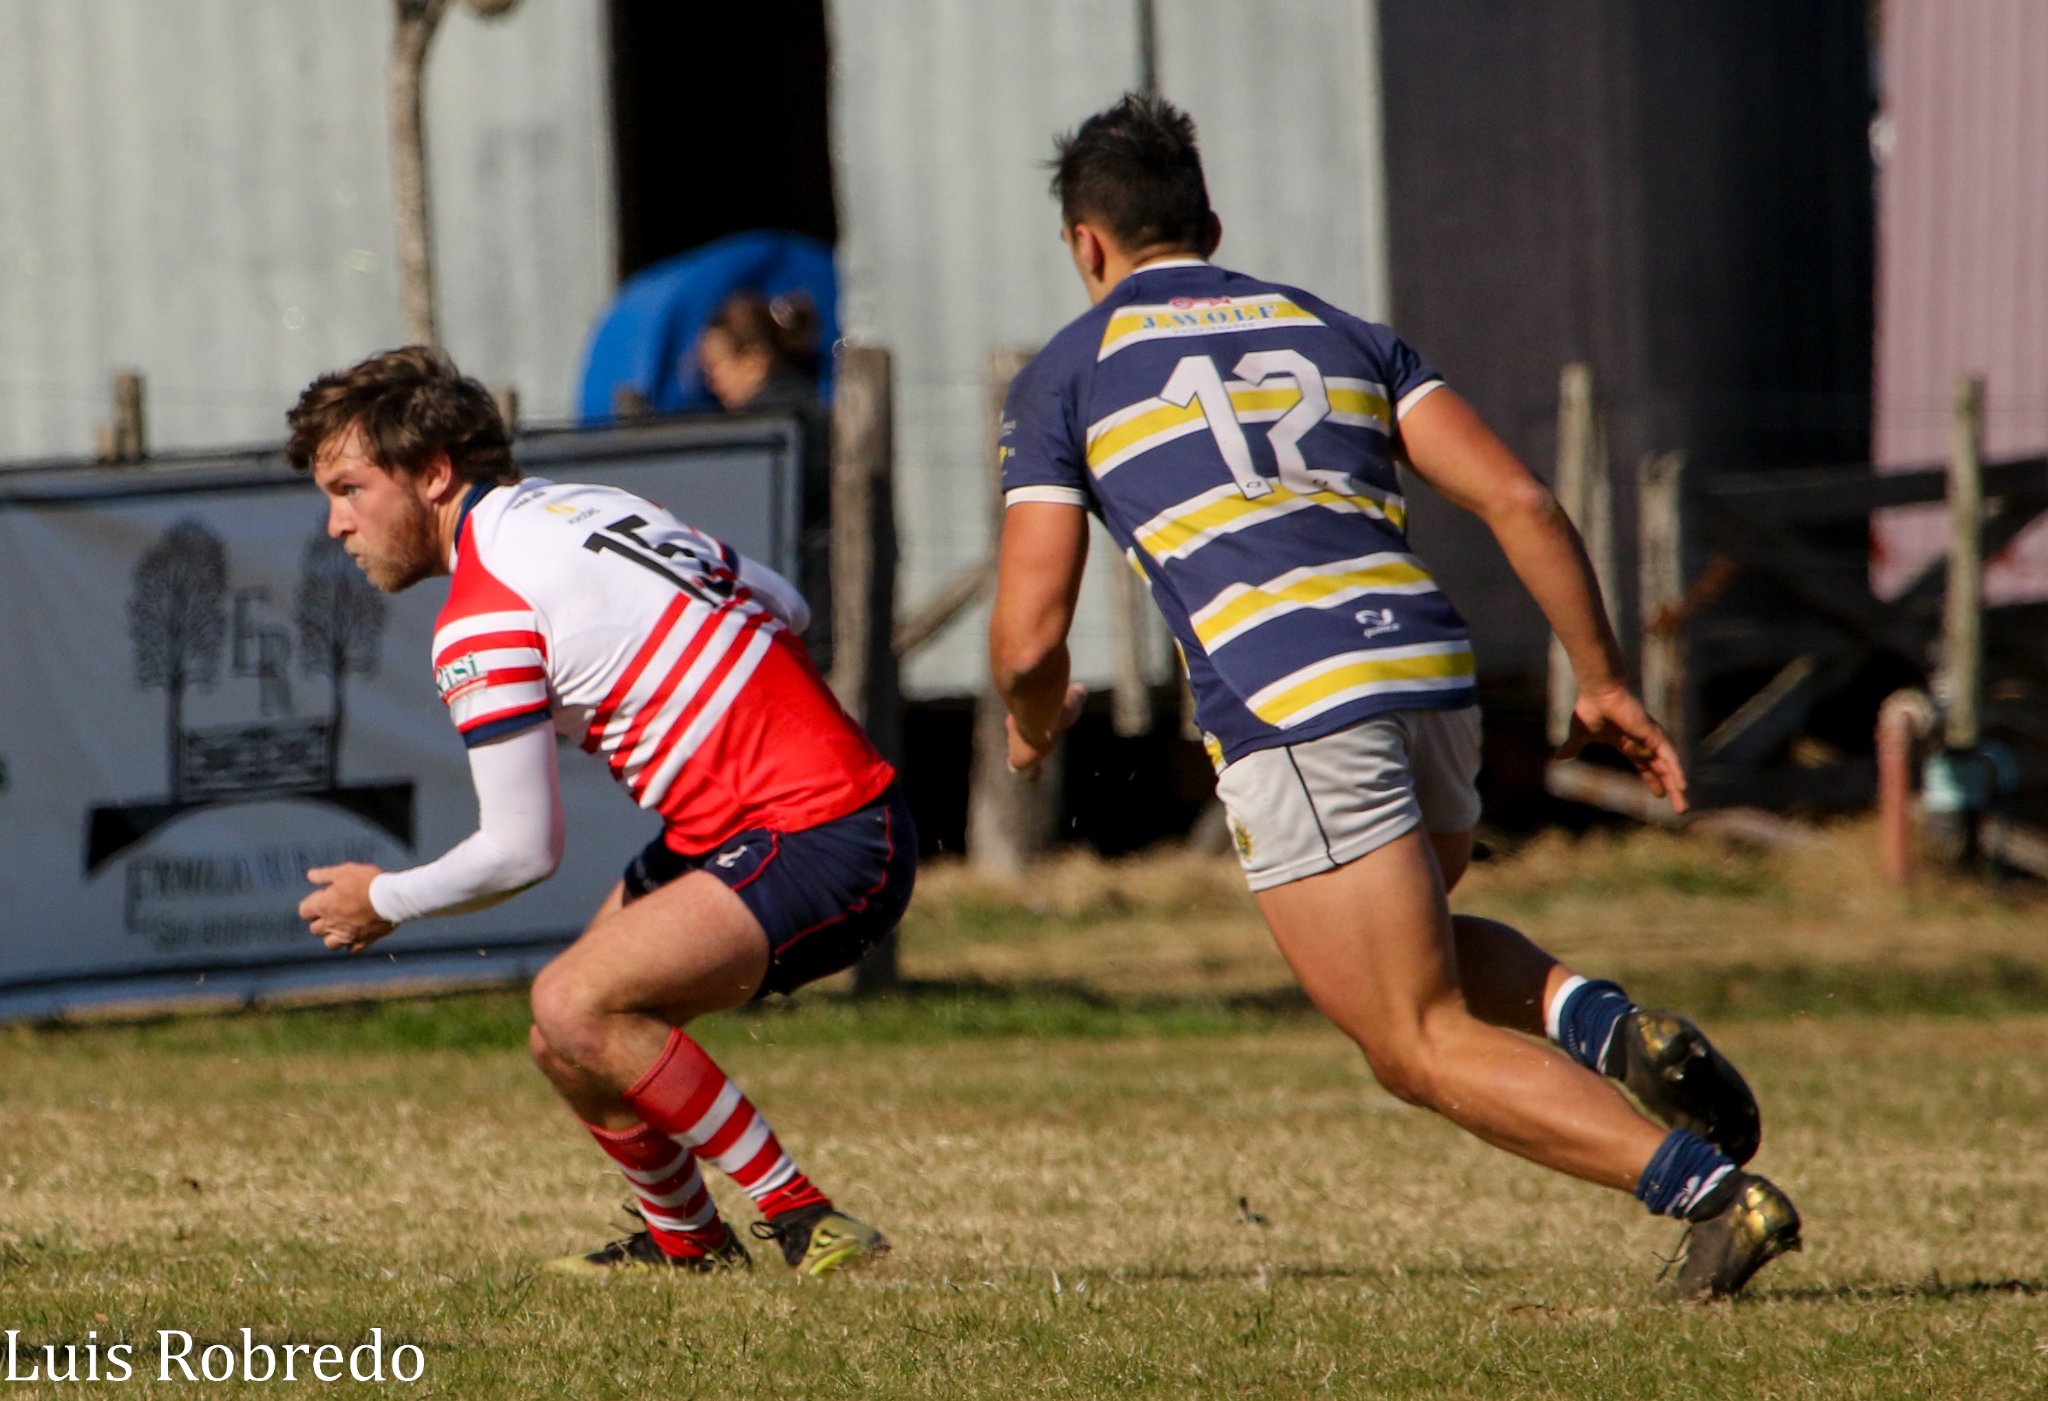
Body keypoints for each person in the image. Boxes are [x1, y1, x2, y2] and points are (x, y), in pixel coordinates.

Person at [988, 94, 1801, 1300]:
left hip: (1295, 698)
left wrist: (1028, 711)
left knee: (1408, 1040)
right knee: (1409, 943)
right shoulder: (1339, 332)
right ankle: (1606, 1026)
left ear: (1085, 246)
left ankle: (1706, 1193)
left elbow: (1029, 626)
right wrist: (1604, 678)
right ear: (1209, 223)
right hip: (1429, 669)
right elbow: (1521, 501)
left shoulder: (1069, 370)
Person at [289, 347, 911, 1276]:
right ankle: (689, 1244)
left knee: (572, 1002)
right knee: (562, 1041)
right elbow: (788, 601)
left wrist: (386, 899)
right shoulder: (591, 505)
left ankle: (804, 1216)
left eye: (349, 489)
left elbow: (520, 850)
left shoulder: (483, 611)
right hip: (797, 821)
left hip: (818, 832)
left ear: (432, 473)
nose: (336, 524)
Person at [695, 290, 823, 413]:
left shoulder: (762, 424)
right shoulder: (812, 403)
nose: (710, 382)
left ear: (754, 362)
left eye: (714, 365)